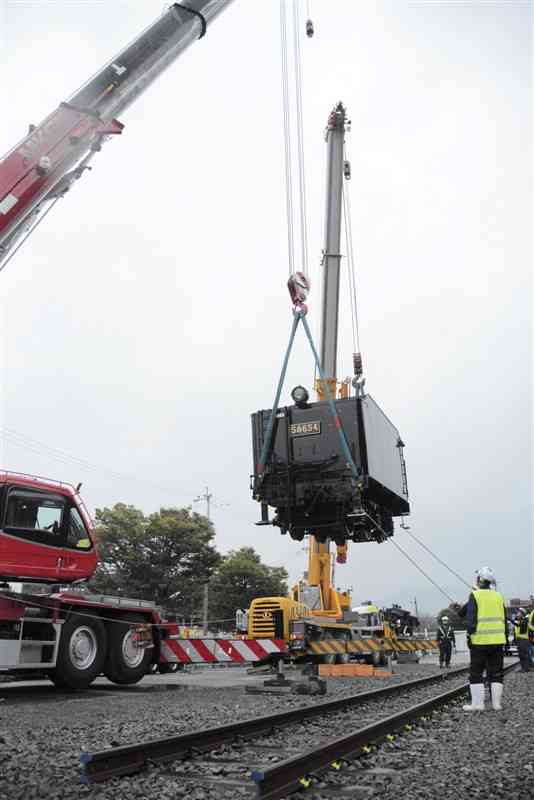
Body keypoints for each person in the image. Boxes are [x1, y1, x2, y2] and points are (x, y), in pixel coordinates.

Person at [461, 566, 506, 712]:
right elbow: (503, 618)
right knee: (497, 672)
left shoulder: (475, 595)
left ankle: (478, 705)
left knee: (476, 673)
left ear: (479, 579)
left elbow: (471, 619)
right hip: (498, 641)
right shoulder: (499, 596)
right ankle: (496, 704)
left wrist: (469, 635)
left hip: (480, 641)